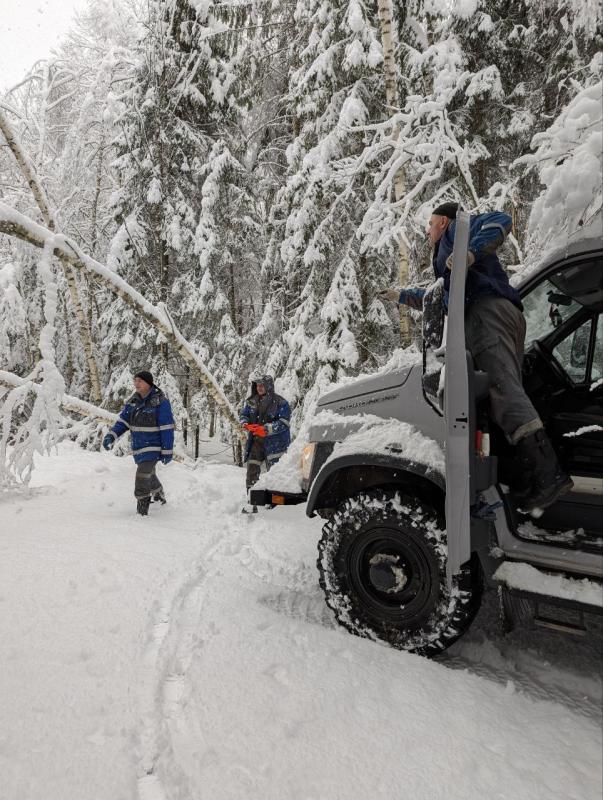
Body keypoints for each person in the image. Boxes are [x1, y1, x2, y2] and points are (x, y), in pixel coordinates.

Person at [380, 201, 572, 512]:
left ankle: (548, 475)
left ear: (443, 221)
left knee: (503, 390)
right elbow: (438, 294)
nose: (427, 230)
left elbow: (500, 220)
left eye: (430, 224)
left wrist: (469, 252)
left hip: (487, 314)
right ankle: (524, 477)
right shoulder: (450, 259)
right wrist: (400, 296)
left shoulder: (457, 230)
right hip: (492, 315)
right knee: (499, 396)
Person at [102, 370, 175, 516]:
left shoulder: (160, 402)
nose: (136, 384)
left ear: (149, 383)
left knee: (142, 476)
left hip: (154, 447)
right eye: (135, 380)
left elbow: (167, 428)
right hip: (139, 447)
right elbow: (123, 422)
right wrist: (111, 435)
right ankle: (158, 493)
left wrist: (167, 451)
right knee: (149, 474)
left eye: (140, 381)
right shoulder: (133, 401)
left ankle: (142, 512)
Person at [239, 374, 291, 512]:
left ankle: (275, 505)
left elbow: (284, 423)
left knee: (274, 473)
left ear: (268, 386)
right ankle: (252, 502)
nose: (259, 387)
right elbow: (243, 414)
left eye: (262, 385)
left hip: (275, 444)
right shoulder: (251, 401)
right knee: (252, 469)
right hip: (256, 443)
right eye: (257, 385)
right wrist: (245, 424)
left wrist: (266, 429)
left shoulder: (281, 402)